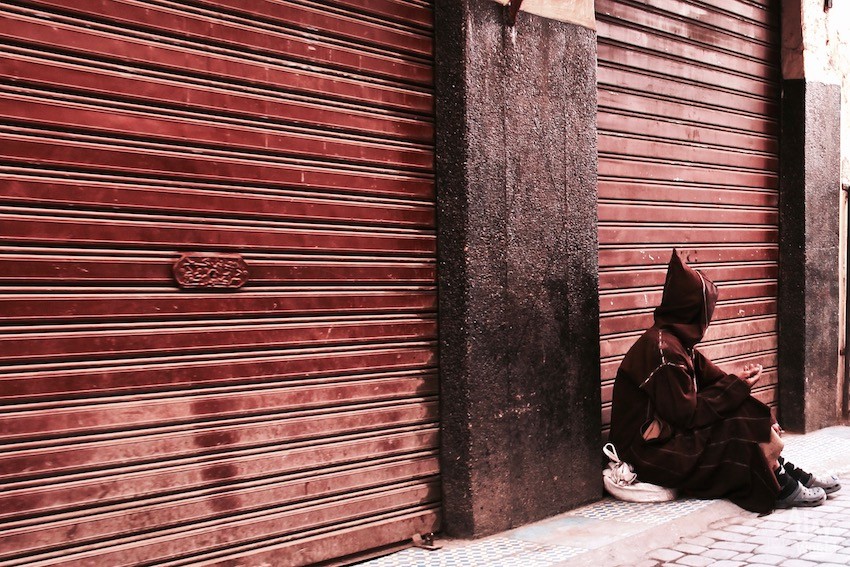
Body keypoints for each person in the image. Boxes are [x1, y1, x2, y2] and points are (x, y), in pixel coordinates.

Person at [609, 250, 840, 513]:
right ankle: (775, 481)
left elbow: (716, 379)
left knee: (741, 409)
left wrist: (758, 407)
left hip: (668, 437)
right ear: (692, 311)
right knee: (735, 426)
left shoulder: (678, 344)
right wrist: (738, 388)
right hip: (648, 453)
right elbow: (687, 415)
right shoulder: (663, 350)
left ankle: (778, 467)